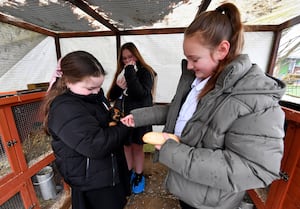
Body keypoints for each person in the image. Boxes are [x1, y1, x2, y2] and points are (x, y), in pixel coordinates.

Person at [121, 3, 286, 209]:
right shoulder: (200, 80)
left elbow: (257, 168)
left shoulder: (255, 97)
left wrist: (172, 151)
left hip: (211, 202)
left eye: (194, 59)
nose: (189, 66)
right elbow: (177, 111)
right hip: (187, 187)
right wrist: (139, 117)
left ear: (222, 49)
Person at [42, 51, 130, 209]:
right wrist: (124, 127)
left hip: (105, 171)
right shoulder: (65, 108)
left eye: (99, 86)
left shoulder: (91, 95)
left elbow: (101, 117)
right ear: (67, 81)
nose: (97, 91)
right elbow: (95, 145)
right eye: (90, 88)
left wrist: (113, 116)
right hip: (91, 181)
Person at [107, 42, 156, 194]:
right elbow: (111, 96)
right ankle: (128, 173)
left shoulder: (146, 72)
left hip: (139, 117)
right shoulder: (120, 73)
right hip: (122, 117)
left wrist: (129, 71)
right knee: (126, 146)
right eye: (124, 59)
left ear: (137, 55)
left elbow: (140, 93)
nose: (128, 60)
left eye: (130, 56)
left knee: (137, 146)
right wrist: (118, 86)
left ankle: (139, 175)